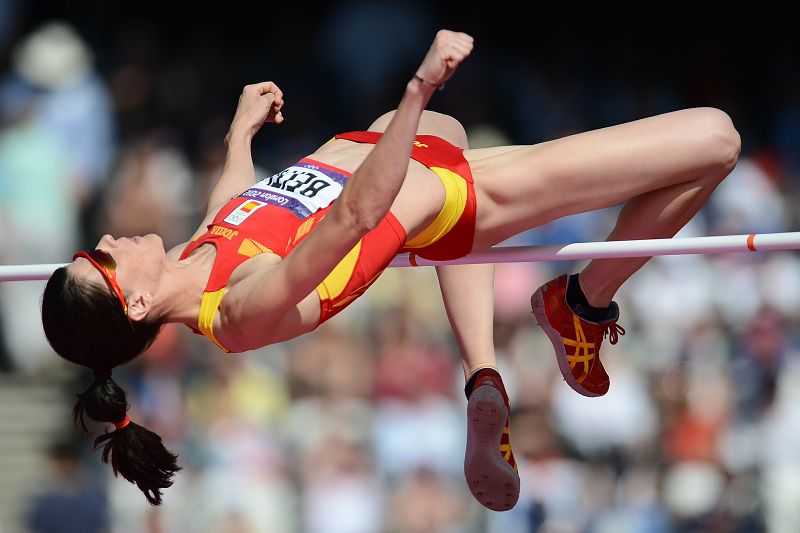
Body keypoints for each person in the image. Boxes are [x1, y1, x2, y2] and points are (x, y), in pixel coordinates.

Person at [40, 29, 741, 511]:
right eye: (101, 257)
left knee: (450, 129)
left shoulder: (193, 260)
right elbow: (353, 218)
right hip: (456, 195)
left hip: (397, 150)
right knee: (716, 137)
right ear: (133, 301)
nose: (106, 234)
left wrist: (239, 133)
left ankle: (482, 376)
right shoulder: (237, 310)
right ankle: (582, 302)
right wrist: (419, 89)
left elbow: (233, 204)